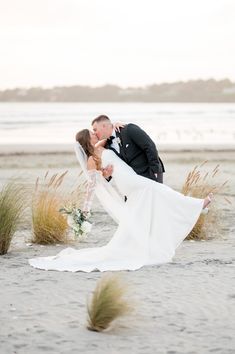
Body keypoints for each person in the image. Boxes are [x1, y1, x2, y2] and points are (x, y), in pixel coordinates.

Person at [29, 129, 212, 272]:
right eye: (92, 133)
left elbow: (111, 135)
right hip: (128, 181)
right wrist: (86, 208)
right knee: (157, 189)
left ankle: (150, 245)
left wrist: (116, 124)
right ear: (88, 140)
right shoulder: (92, 160)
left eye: (95, 131)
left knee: (147, 204)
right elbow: (93, 185)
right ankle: (197, 204)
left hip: (129, 177)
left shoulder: (100, 146)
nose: (95, 134)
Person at [92, 115, 165, 183]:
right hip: (134, 180)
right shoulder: (107, 147)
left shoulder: (128, 130)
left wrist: (155, 170)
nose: (94, 133)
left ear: (103, 126)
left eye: (95, 129)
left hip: (150, 172)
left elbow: (149, 146)